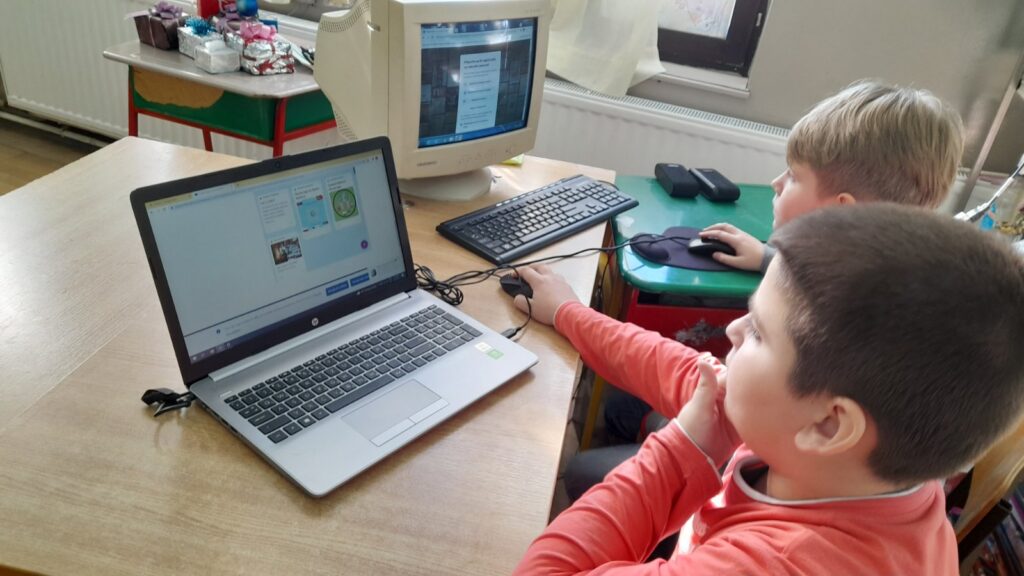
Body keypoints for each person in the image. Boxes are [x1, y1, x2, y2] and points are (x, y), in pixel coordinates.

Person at [512, 204, 1024, 574]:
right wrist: (568, 312)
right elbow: (676, 368)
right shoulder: (873, 462)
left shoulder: (776, 563)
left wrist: (678, 450)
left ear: (829, 425)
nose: (732, 330)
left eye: (758, 331)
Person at [571, 80, 967, 503]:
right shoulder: (884, 280)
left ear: (841, 211)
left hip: (751, 460)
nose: (776, 183)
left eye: (793, 175)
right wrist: (766, 258)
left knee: (581, 472)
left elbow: (724, 395)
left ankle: (666, 513)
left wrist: (570, 312)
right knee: (622, 406)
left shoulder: (833, 332)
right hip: (754, 426)